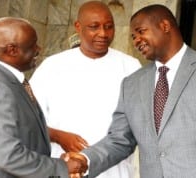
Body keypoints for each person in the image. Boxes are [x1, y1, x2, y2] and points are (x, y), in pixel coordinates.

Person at [65, 4, 196, 178]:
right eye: (133, 37)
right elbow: (119, 140)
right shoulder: (131, 84)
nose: (137, 40)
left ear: (165, 26)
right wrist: (86, 160)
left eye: (140, 32)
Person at [0, 17, 86, 178]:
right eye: (32, 45)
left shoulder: (11, 81)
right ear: (12, 50)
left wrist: (57, 142)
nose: (39, 49)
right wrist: (60, 167)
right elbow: (8, 156)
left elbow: (23, 131)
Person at [29, 1, 141, 178]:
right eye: (94, 27)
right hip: (64, 167)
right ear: (78, 27)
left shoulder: (130, 66)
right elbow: (28, 119)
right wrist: (59, 136)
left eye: (109, 26)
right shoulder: (53, 66)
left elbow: (138, 122)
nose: (103, 33)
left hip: (114, 170)